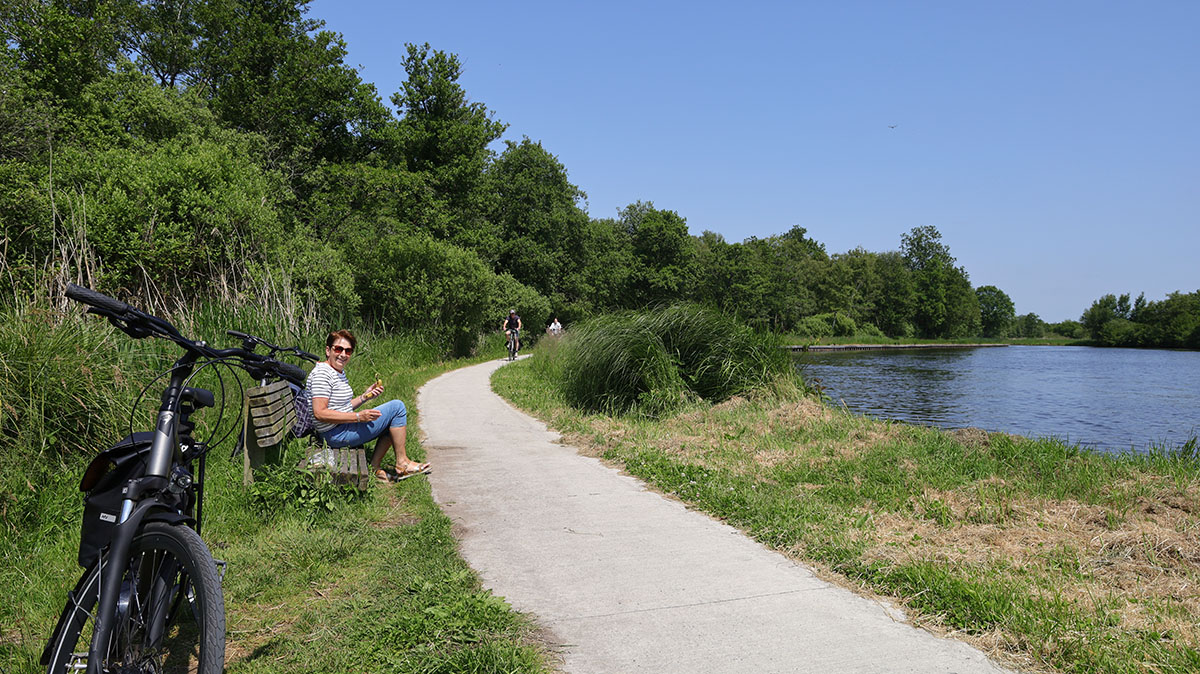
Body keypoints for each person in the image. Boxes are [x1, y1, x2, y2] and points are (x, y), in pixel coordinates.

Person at [307, 329, 429, 482]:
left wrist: (364, 397)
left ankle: (376, 467)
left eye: (348, 351)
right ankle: (402, 463)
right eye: (338, 349)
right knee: (397, 408)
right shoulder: (322, 374)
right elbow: (320, 413)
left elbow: (341, 407)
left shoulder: (336, 371)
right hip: (335, 434)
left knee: (390, 418)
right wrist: (358, 417)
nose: (343, 354)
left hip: (339, 429)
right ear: (328, 350)